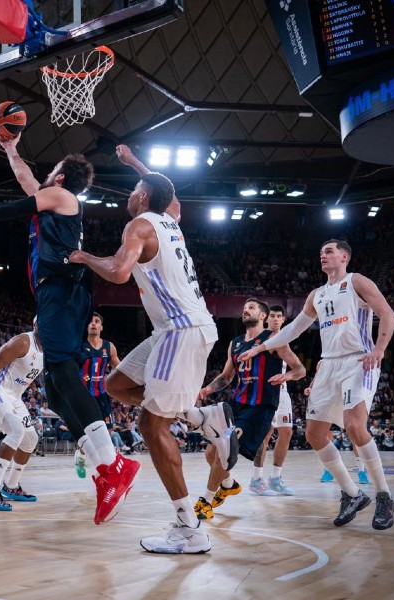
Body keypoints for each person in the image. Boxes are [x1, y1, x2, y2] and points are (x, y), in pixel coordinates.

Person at [0, 133, 139, 525]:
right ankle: (104, 470)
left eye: (54, 171)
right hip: (57, 293)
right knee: (55, 392)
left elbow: (11, 206)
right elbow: (26, 179)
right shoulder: (55, 200)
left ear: (61, 179)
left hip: (63, 291)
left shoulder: (62, 198)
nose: (46, 175)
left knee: (62, 371)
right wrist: (11, 149)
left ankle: (114, 464)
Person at [69, 148, 232, 554]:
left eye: (135, 188)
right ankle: (199, 416)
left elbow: (120, 272)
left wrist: (83, 256)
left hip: (182, 330)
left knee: (151, 426)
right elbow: (170, 197)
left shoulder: (139, 226)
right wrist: (138, 166)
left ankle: (189, 529)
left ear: (142, 197)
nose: (130, 193)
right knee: (116, 383)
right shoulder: (169, 219)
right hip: (174, 330)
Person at [239, 239, 394, 530]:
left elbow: (388, 314)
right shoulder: (317, 294)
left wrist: (379, 348)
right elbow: (294, 328)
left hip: (358, 360)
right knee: (314, 434)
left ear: (344, 256)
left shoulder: (356, 281)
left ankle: (384, 496)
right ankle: (352, 494)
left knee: (354, 425)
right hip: (329, 363)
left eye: (329, 251)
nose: (322, 255)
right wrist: (260, 348)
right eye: (321, 252)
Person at [193, 299, 306, 519]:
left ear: (263, 316)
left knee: (224, 447)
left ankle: (205, 501)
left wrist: (288, 375)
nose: (245, 309)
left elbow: (300, 369)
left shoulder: (274, 339)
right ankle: (228, 484)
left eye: (251, 307)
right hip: (237, 403)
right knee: (211, 452)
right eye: (244, 307)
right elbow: (226, 377)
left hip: (260, 407)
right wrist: (207, 389)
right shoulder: (235, 343)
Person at [0, 320, 44, 511]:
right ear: (36, 324)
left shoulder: (49, 349)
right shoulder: (23, 342)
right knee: (17, 431)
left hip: (14, 397)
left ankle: (11, 486)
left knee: (31, 438)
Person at [248, 305, 299, 496]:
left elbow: (296, 368)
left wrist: (289, 377)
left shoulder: (285, 338)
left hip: (282, 391)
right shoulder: (261, 339)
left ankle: (275, 478)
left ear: (284, 319)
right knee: (265, 433)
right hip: (264, 391)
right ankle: (256, 479)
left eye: (279, 316)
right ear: (266, 319)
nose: (276, 319)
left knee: (286, 432)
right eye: (273, 316)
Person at [75, 312, 121, 478]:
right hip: (84, 395)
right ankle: (81, 456)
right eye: (91, 322)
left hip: (101, 395)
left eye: (97, 322)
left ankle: (107, 464)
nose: (93, 324)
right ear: (86, 327)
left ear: (101, 327)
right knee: (88, 432)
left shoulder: (109, 347)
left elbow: (120, 369)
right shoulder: (79, 345)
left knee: (107, 431)